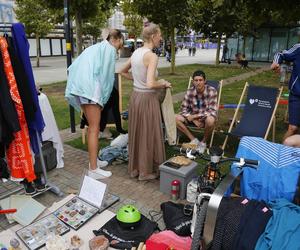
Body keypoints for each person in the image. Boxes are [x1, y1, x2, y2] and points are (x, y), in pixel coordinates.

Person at [65, 29, 124, 178]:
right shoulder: (110, 50)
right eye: (120, 43)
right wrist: (103, 99)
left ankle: (95, 161)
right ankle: (93, 169)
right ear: (116, 39)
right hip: (91, 91)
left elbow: (72, 67)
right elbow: (107, 77)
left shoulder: (95, 47)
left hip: (81, 89)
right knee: (94, 128)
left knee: (92, 127)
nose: (120, 48)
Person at [118, 23, 171, 181]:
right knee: (148, 134)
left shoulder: (136, 53)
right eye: (160, 35)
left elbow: (122, 71)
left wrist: (138, 79)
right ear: (153, 36)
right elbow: (150, 83)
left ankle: (136, 169)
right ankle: (146, 171)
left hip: (136, 97)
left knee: (138, 133)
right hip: (147, 98)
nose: (161, 38)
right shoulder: (152, 55)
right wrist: (163, 83)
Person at [175, 70, 217, 153]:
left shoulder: (212, 91)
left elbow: (212, 110)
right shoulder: (190, 91)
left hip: (205, 118)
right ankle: (194, 140)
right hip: (192, 118)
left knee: (211, 120)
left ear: (205, 81)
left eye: (200, 80)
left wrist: (196, 117)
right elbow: (183, 109)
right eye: (196, 80)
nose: (198, 83)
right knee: (174, 117)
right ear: (193, 82)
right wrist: (193, 119)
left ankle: (203, 142)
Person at [271, 42, 300, 141]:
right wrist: (276, 62)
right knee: (293, 128)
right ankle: (280, 155)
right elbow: (280, 54)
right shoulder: (298, 48)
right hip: (297, 95)